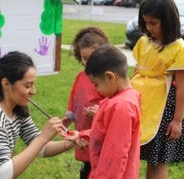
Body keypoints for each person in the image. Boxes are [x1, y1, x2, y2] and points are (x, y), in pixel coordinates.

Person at [130, 0, 184, 179]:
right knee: (133, 154)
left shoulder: (179, 49)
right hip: (140, 105)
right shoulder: (144, 42)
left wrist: (176, 121)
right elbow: (137, 71)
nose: (149, 28)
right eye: (146, 23)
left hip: (163, 111)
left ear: (168, 21)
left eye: (154, 23)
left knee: (157, 161)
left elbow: (182, 87)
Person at [0, 51, 85, 179]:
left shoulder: (18, 110)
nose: (34, 91)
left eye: (33, 84)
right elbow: (3, 174)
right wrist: (43, 137)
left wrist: (69, 143)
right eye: (28, 85)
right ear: (6, 83)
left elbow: (39, 148)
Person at [62, 45, 141, 179]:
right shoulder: (119, 100)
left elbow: (115, 155)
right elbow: (108, 133)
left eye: (96, 84)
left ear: (110, 77)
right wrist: (83, 135)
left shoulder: (121, 106)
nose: (97, 90)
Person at [62, 27, 109, 179]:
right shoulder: (80, 76)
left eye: (93, 57)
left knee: (99, 162)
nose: (89, 62)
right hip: (83, 129)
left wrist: (100, 110)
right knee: (88, 163)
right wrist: (68, 117)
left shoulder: (107, 79)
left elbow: (113, 102)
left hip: (101, 132)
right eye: (85, 58)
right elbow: (73, 98)